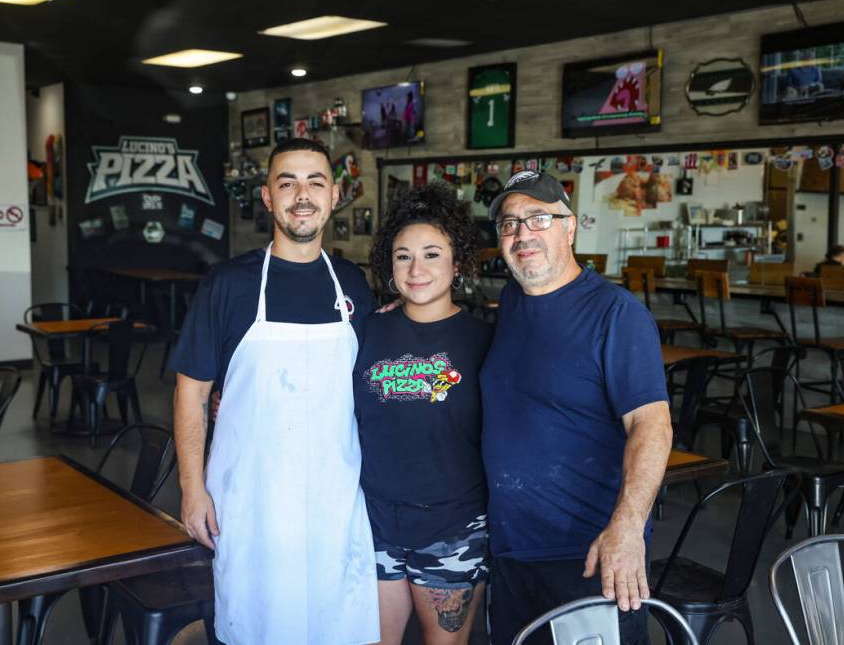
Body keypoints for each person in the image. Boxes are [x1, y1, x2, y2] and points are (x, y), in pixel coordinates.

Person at [171, 137, 380, 644]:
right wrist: (192, 488)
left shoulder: (352, 284)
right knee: (254, 623)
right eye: (288, 183)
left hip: (336, 497)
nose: (302, 194)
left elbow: (372, 391)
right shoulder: (228, 284)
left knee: (335, 627)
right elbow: (192, 393)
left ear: (334, 197)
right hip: (250, 501)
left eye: (316, 182)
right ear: (268, 197)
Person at [479, 171, 673, 645]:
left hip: (588, 557)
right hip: (511, 552)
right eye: (509, 223)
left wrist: (627, 529)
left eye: (538, 218)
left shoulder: (616, 314)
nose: (522, 233)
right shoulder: (512, 302)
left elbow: (653, 424)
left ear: (569, 227)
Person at [355, 183, 492, 645]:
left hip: (452, 528)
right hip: (372, 522)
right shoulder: (365, 332)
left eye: (432, 254)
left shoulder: (485, 341)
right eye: (403, 256)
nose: (416, 269)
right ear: (388, 266)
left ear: (458, 262)